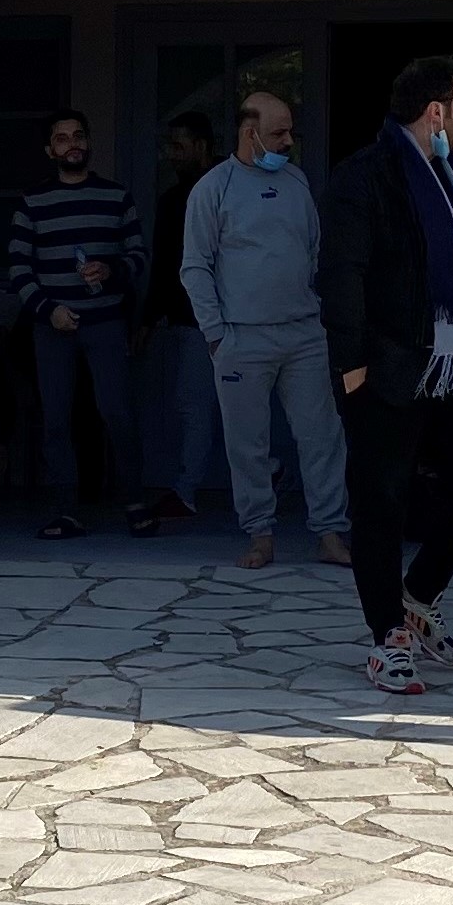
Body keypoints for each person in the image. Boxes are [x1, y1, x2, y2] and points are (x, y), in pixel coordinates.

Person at [322, 56, 453, 695]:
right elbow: (342, 274)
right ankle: (388, 637)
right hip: (385, 367)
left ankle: (418, 593)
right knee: (381, 503)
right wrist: (351, 367)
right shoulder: (365, 176)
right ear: (434, 111)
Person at [179, 89, 351, 571]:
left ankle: (331, 533)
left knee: (323, 436)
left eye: (290, 131)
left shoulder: (296, 182)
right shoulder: (213, 189)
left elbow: (314, 252)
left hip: (303, 335)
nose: (289, 141)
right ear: (248, 132)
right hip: (240, 339)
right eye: (279, 133)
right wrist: (216, 335)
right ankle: (260, 534)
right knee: (247, 443)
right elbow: (195, 267)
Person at [5, 107, 158, 540]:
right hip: (51, 325)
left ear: (88, 143)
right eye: (62, 138)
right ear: (49, 149)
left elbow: (139, 255)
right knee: (56, 419)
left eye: (78, 136)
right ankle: (65, 510)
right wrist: (47, 309)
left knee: (117, 412)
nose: (72, 144)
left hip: (106, 322)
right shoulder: (31, 202)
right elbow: (18, 268)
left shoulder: (116, 196)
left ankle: (135, 501)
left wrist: (111, 269)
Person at [141, 109, 225, 522]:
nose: (171, 155)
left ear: (202, 146)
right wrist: (150, 316)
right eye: (168, 146)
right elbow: (166, 264)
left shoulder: (228, 189)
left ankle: (187, 489)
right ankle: (263, 471)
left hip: (217, 317)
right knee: (203, 404)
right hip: (190, 317)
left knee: (198, 404)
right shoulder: (173, 200)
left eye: (179, 146)